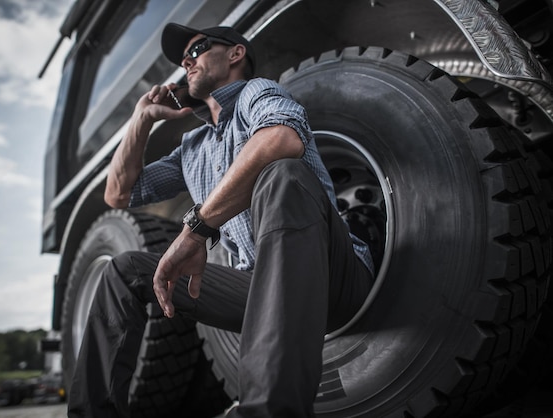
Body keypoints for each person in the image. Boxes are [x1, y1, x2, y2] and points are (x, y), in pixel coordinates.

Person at [67, 23, 374, 418]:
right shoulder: (192, 147)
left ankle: (267, 411)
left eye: (196, 49)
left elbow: (282, 139)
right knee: (124, 270)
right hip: (257, 290)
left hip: (334, 275)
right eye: (183, 59)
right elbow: (119, 195)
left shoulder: (255, 92)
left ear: (234, 54)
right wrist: (141, 120)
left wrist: (195, 229)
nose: (186, 61)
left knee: (282, 175)